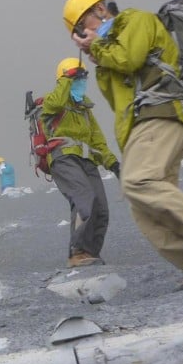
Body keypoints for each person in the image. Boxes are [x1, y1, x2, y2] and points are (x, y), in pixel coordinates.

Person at [64, 0, 183, 288]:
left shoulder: (136, 20)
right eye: (77, 31)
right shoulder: (105, 55)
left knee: (139, 181)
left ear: (101, 9)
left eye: (83, 23)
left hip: (162, 114)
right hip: (145, 127)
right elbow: (122, 98)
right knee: (145, 209)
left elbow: (130, 58)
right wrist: (101, 51)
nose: (82, 33)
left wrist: (99, 48)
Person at [42, 57, 120, 267]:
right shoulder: (52, 102)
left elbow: (97, 141)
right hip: (63, 157)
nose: (81, 81)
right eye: (77, 77)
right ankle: (77, 252)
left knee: (101, 208)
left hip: (87, 160)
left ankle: (90, 253)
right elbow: (57, 101)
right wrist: (67, 78)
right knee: (84, 198)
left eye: (83, 77)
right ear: (64, 79)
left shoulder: (85, 109)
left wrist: (113, 163)